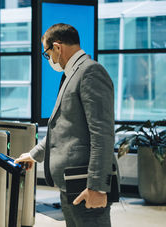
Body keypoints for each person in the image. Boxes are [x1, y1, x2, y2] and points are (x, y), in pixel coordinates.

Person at [15, 23, 117, 227]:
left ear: (57, 47)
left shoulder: (90, 72)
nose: (49, 59)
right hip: (70, 181)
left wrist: (97, 186)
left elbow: (102, 134)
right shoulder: (72, 74)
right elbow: (63, 129)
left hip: (86, 184)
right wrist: (33, 155)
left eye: (47, 53)